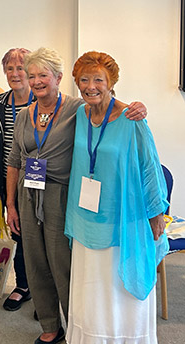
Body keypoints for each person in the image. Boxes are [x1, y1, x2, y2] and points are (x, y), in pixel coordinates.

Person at [5, 47, 147, 344]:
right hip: (27, 195)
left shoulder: (75, 109)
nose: (36, 81)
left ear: (58, 77)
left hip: (61, 194)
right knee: (35, 262)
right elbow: (14, 162)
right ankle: (50, 325)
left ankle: (76, 327)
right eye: (32, 76)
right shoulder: (24, 115)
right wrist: (11, 204)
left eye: (43, 75)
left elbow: (107, 108)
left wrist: (137, 109)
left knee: (63, 264)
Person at [65, 51, 168, 343]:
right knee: (92, 288)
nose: (91, 86)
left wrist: (156, 213)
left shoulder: (131, 119)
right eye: (84, 79)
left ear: (112, 83)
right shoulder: (81, 114)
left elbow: (149, 167)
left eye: (99, 79)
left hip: (122, 219)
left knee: (116, 289)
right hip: (87, 218)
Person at [0, 48, 34, 311]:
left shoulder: (45, 101)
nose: (15, 73)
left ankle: (45, 290)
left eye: (21, 67)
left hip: (41, 184)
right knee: (18, 234)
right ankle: (24, 286)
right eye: (10, 68)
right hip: (9, 182)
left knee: (43, 238)